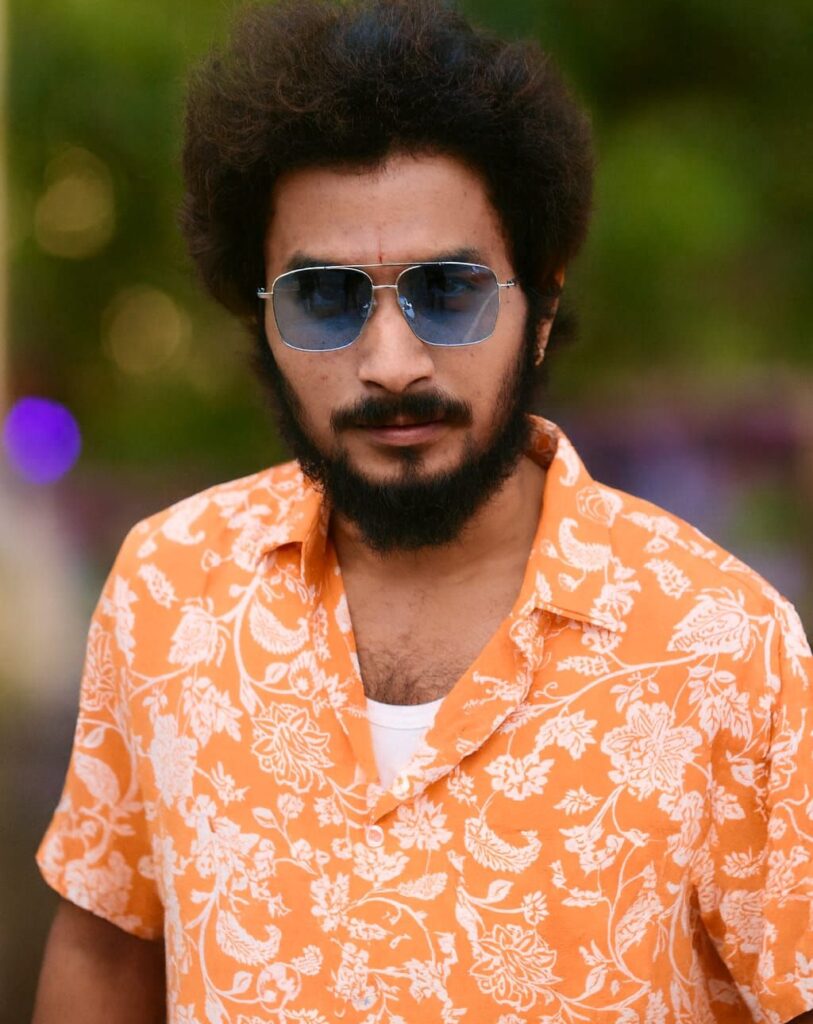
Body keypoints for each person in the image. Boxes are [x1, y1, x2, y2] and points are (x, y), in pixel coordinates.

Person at [32, 1, 813, 1022]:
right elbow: (104, 950)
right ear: (260, 319)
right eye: (325, 299)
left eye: (448, 291)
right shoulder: (167, 588)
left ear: (541, 306)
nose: (392, 363)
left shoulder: (722, 645)